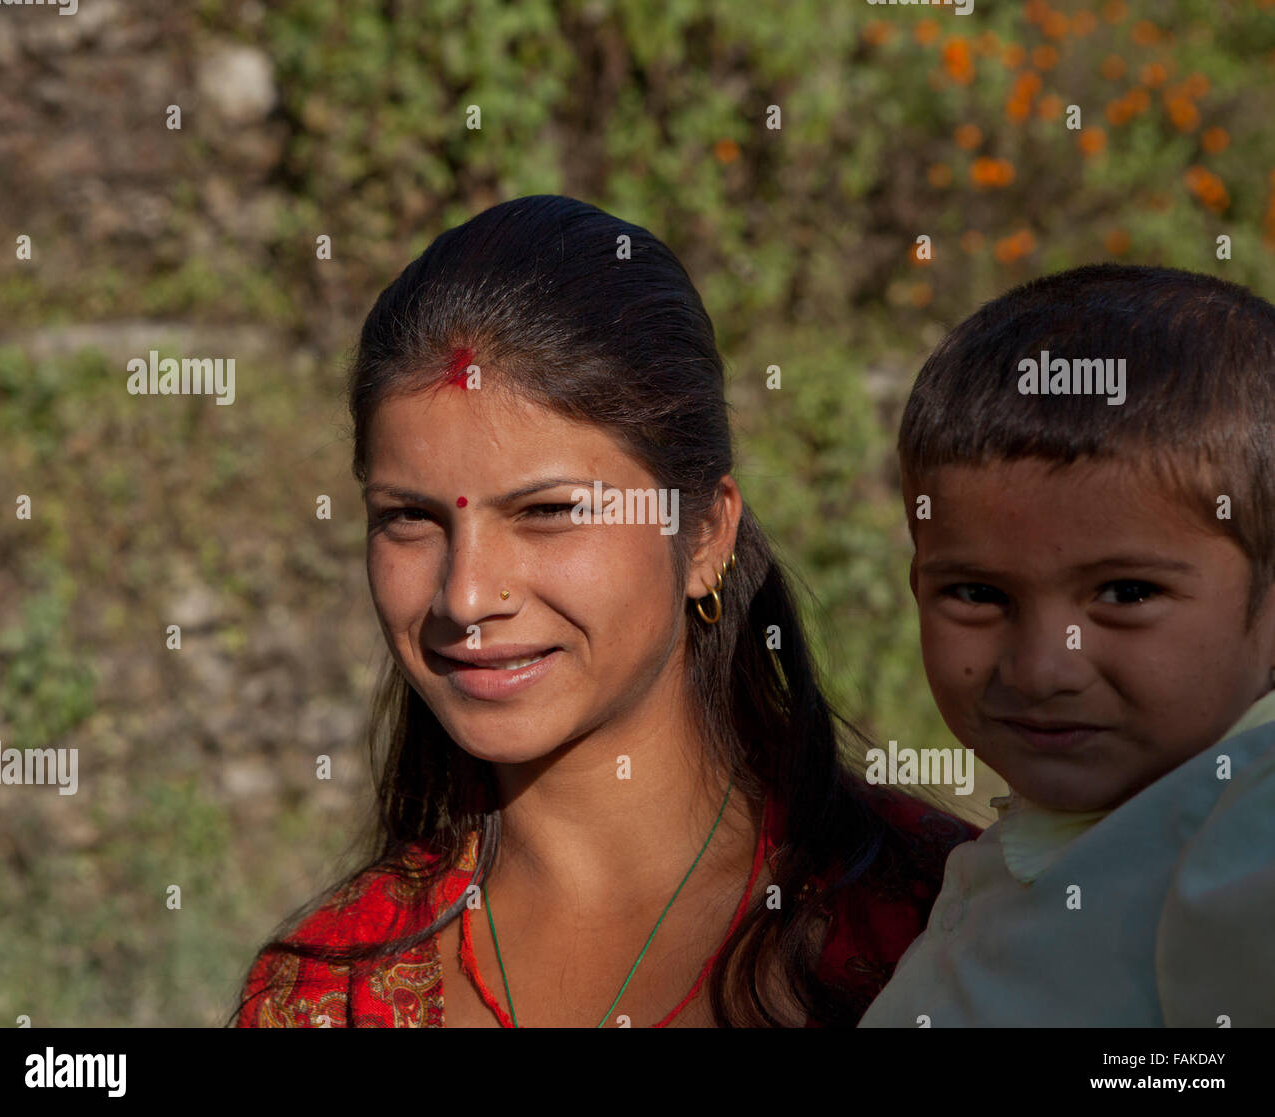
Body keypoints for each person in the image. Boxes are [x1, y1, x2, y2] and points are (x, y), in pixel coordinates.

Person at [232, 194, 975, 1029]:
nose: (467, 595)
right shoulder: (329, 997)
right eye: (410, 517)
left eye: (548, 511)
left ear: (702, 534)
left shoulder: (946, 928)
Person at [859, 264, 1275, 1027]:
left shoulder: (1251, 823)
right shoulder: (1059, 827)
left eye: (1126, 594)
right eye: (978, 594)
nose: (1043, 667)